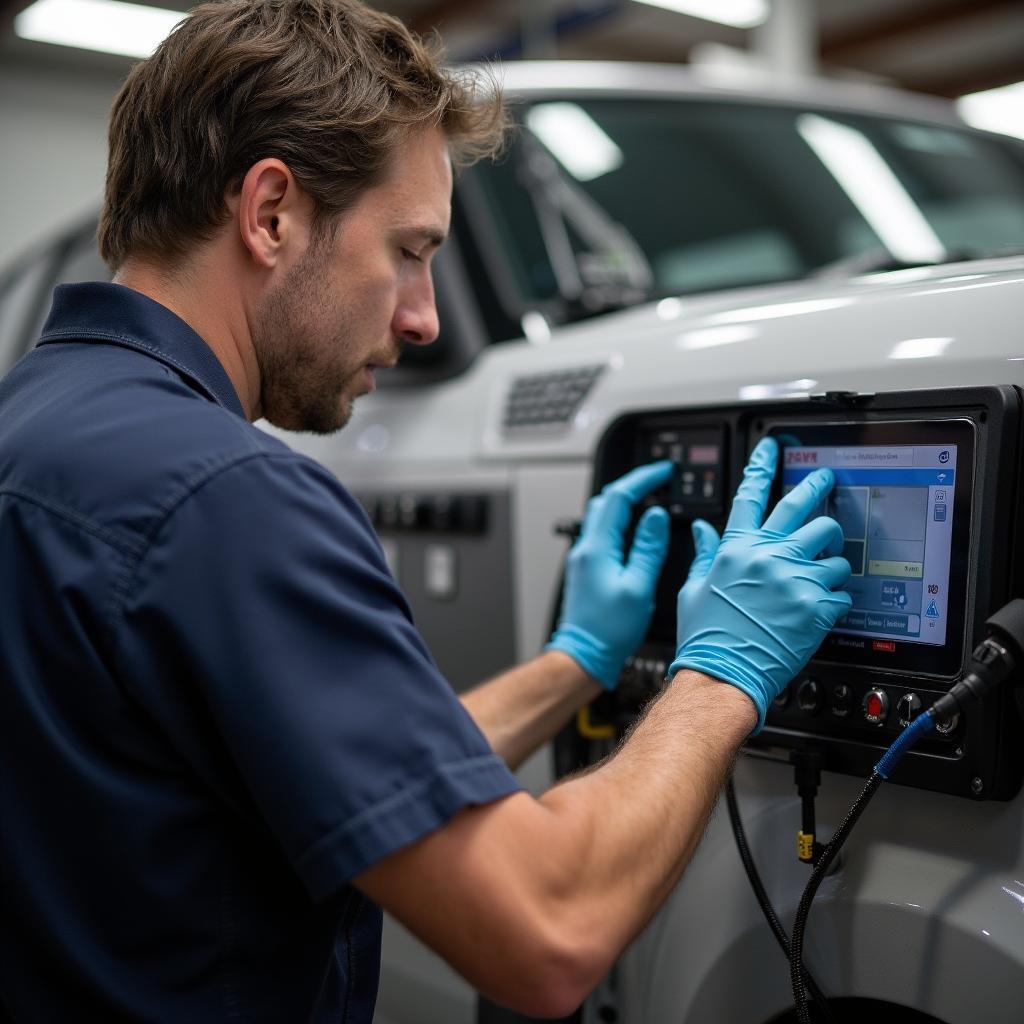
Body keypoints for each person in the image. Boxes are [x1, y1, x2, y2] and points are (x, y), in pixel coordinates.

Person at [0, 1, 852, 1020]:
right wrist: (720, 673)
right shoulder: (226, 500)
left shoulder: (34, 425)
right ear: (270, 212)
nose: (422, 314)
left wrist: (573, 662)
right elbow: (546, 927)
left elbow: (339, 771)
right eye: (409, 249)